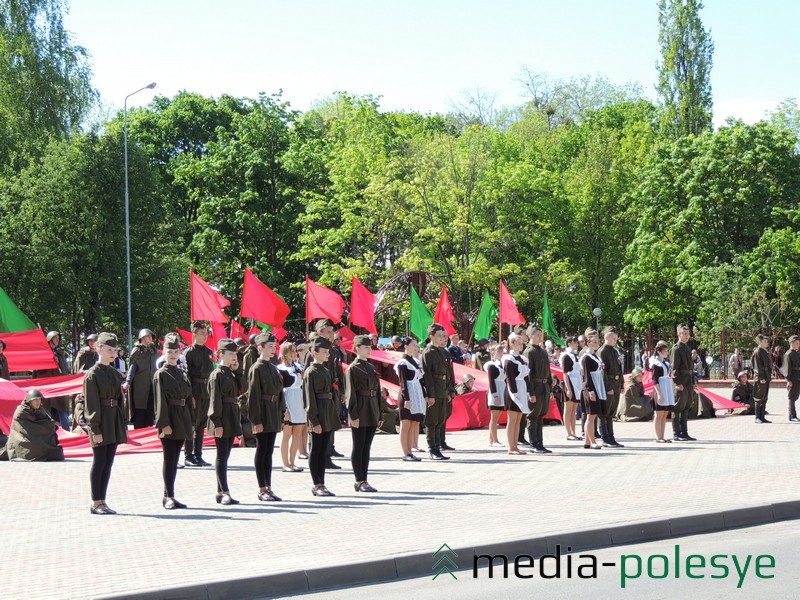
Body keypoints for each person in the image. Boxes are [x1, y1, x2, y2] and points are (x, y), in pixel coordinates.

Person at [248, 333, 295, 502]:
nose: (272, 349)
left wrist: (283, 412)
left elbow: (280, 391)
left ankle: (269, 486)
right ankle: (262, 488)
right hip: (263, 412)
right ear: (260, 348)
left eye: (274, 347)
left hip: (273, 412)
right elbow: (253, 396)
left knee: (268, 452)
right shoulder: (257, 368)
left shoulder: (273, 367)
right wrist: (256, 420)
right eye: (269, 346)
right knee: (262, 450)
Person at [84, 333, 128, 514]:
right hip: (100, 421)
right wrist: (95, 428)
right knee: (99, 461)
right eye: (109, 350)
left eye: (115, 350)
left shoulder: (113, 373)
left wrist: (123, 422)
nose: (113, 353)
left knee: (108, 462)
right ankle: (96, 502)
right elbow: (91, 404)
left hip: (113, 419)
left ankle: (103, 500)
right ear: (98, 349)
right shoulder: (92, 375)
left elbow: (119, 400)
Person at [153, 337, 193, 510]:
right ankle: (167, 496)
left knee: (176, 458)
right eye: (170, 352)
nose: (173, 355)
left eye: (176, 352)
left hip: (181, 418)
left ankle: (171, 495)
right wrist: (164, 423)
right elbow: (159, 401)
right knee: (169, 459)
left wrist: (190, 421)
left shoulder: (181, 373)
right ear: (164, 353)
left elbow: (188, 398)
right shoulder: (161, 374)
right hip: (169, 417)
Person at [345, 335, 382, 492]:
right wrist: (353, 415)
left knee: (366, 447)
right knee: (358, 446)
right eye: (366, 347)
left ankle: (364, 479)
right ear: (357, 348)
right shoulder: (353, 368)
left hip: (372, 408)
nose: (369, 350)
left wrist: (380, 413)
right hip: (360, 408)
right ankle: (358, 480)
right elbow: (350, 393)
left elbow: (378, 391)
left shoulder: (371, 367)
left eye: (370, 347)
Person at [305, 319, 344, 469]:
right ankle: (319, 455)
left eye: (332, 331)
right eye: (328, 331)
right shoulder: (313, 350)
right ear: (320, 332)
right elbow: (309, 374)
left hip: (332, 390)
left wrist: (340, 389)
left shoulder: (332, 350)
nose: (331, 334)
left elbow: (337, 370)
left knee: (330, 421)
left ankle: (328, 452)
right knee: (319, 425)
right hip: (319, 394)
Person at [304, 336, 340, 496]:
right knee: (316, 449)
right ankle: (316, 484)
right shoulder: (310, 372)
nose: (328, 354)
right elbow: (309, 398)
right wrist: (314, 420)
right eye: (324, 352)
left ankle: (322, 483)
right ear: (314, 352)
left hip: (327, 413)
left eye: (328, 352)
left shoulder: (325, 370)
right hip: (317, 414)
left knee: (324, 450)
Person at [208, 338, 242, 505]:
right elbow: (215, 400)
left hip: (231, 415)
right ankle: (225, 491)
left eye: (235, 353)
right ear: (221, 354)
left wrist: (238, 371)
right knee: (222, 456)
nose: (234, 356)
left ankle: (220, 492)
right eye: (231, 354)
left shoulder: (231, 372)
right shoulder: (217, 374)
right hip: (221, 417)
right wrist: (217, 422)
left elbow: (243, 388)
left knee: (226, 455)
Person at [421, 323, 456, 460]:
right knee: (432, 420)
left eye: (443, 336)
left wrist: (450, 390)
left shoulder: (443, 352)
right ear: (431, 337)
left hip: (443, 389)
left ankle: (438, 447)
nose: (442, 338)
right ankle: (433, 449)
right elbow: (427, 375)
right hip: (434, 389)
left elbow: (449, 373)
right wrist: (430, 394)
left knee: (441, 419)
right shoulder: (428, 353)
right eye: (439, 336)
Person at [0, 389, 64, 461]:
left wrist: (49, 425)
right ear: (29, 401)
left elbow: (47, 422)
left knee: (56, 452)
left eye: (39, 400)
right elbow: (30, 427)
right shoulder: (22, 411)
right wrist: (44, 426)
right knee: (34, 449)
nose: (38, 402)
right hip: (23, 439)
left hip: (35, 437)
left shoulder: (41, 410)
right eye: (35, 400)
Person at [183, 321, 214, 468]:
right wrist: (190, 395)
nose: (205, 335)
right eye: (202, 333)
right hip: (194, 388)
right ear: (194, 334)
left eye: (206, 333)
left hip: (206, 389)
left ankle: (198, 455)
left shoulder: (208, 352)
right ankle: (188, 455)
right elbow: (186, 375)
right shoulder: (189, 352)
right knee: (191, 423)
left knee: (201, 423)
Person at [395, 337, 428, 461]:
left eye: (416, 345)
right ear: (406, 346)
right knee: (406, 424)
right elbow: (403, 383)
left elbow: (420, 380)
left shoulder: (414, 361)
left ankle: (410, 450)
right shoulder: (403, 363)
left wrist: (424, 395)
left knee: (414, 422)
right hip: (407, 395)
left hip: (416, 394)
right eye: (413, 345)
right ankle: (406, 452)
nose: (415, 347)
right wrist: (406, 399)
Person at [278, 341, 306, 472]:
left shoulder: (298, 367)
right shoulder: (280, 369)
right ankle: (285, 464)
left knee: (298, 433)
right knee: (287, 434)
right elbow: (280, 389)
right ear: (285, 353)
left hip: (299, 400)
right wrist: (285, 409)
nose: (294, 353)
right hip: (288, 400)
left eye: (295, 351)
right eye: (291, 351)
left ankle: (292, 462)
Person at [524, 326, 552, 454]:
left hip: (544, 386)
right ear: (530, 336)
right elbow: (527, 374)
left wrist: (550, 388)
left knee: (541, 415)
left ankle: (540, 443)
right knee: (533, 415)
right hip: (535, 386)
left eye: (540, 335)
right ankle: (533, 443)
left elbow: (548, 371)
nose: (539, 337)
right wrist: (531, 392)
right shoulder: (529, 352)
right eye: (536, 335)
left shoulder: (542, 351)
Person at [502, 333, 531, 455]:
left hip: (522, 388)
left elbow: (526, 377)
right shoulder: (509, 359)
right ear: (512, 344)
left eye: (522, 343)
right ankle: (511, 447)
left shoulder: (522, 359)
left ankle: (515, 445)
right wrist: (515, 394)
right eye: (518, 343)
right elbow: (509, 378)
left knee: (519, 420)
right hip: (512, 391)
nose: (521, 346)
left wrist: (528, 392)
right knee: (512, 419)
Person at [36, 330, 70, 430]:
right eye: (55, 338)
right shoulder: (43, 352)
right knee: (46, 409)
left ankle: (66, 431)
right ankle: (47, 432)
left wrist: (58, 362)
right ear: (50, 339)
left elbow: (64, 370)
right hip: (47, 385)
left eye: (58, 338)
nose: (57, 340)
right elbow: (39, 370)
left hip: (59, 385)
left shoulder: (60, 353)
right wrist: (49, 360)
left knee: (62, 409)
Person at [125, 328, 157, 429]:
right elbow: (132, 367)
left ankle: (148, 436)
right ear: (142, 337)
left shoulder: (153, 350)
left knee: (150, 412)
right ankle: (139, 433)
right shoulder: (137, 350)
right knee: (140, 412)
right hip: (140, 386)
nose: (151, 338)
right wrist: (128, 382)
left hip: (152, 385)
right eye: (149, 336)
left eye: (151, 336)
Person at [598, 326, 623, 448]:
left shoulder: (614, 351)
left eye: (616, 338)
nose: (615, 340)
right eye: (613, 338)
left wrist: (621, 384)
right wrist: (608, 387)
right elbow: (603, 372)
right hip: (607, 384)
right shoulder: (602, 351)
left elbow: (619, 370)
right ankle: (605, 438)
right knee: (604, 412)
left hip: (616, 384)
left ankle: (611, 437)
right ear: (606, 337)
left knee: (611, 411)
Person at [579, 331, 604, 450]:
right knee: (590, 415)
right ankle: (592, 440)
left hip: (596, 386)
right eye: (593, 342)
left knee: (592, 415)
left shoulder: (595, 356)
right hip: (590, 388)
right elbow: (586, 376)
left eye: (597, 342)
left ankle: (587, 442)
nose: (596, 344)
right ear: (587, 343)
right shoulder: (586, 358)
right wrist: (591, 391)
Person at [670, 325, 696, 441]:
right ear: (678, 335)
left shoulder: (686, 348)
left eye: (688, 334)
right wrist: (677, 383)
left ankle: (684, 432)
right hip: (680, 381)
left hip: (688, 380)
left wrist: (693, 381)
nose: (686, 336)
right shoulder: (676, 349)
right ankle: (676, 433)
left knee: (686, 406)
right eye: (684, 334)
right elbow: (674, 368)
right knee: (677, 407)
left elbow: (691, 367)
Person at [650, 342, 674, 442]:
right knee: (659, 414)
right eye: (665, 351)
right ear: (659, 352)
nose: (667, 353)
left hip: (666, 389)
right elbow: (655, 380)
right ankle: (658, 437)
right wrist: (659, 393)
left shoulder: (666, 363)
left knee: (664, 414)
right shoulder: (656, 364)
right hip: (660, 390)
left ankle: (662, 436)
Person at [560, 336, 582, 441]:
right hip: (569, 382)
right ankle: (568, 432)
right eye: (574, 342)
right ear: (569, 343)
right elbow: (564, 373)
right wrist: (568, 388)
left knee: (574, 410)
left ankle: (573, 432)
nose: (576, 344)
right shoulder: (566, 356)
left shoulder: (575, 355)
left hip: (577, 383)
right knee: (568, 409)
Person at [484, 343, 506, 447]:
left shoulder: (502, 364)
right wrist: (495, 395)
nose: (501, 353)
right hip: (495, 391)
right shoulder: (491, 365)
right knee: (494, 417)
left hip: (502, 389)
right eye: (498, 351)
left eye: (502, 351)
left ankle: (490, 440)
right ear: (493, 353)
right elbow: (491, 381)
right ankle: (495, 440)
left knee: (496, 417)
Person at [751, 334, 772, 424]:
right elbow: (757, 367)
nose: (766, 343)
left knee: (764, 397)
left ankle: (762, 416)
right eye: (764, 341)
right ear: (760, 342)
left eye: (766, 341)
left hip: (766, 376)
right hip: (761, 377)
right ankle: (757, 417)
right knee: (759, 397)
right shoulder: (757, 352)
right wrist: (761, 378)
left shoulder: (764, 351)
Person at [783, 336, 800, 422]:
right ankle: (792, 415)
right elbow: (787, 368)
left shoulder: (797, 353)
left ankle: (793, 415)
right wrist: (788, 380)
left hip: (798, 376)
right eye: (797, 343)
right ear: (792, 343)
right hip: (793, 377)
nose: (798, 344)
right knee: (792, 397)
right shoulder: (788, 354)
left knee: (796, 396)